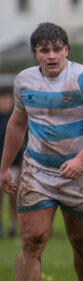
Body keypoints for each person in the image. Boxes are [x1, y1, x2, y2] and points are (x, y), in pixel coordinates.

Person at [0, 22, 83, 281]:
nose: (51, 55)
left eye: (56, 49)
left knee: (81, 243)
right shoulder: (24, 81)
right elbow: (17, 124)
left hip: (80, 173)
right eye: (44, 50)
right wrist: (5, 167)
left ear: (67, 49)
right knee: (32, 240)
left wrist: (80, 159)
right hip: (37, 171)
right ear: (35, 53)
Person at [0, 87, 24, 238]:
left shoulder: (16, 118)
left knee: (13, 196)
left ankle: (12, 225)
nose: (5, 102)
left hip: (14, 164)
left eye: (7, 99)